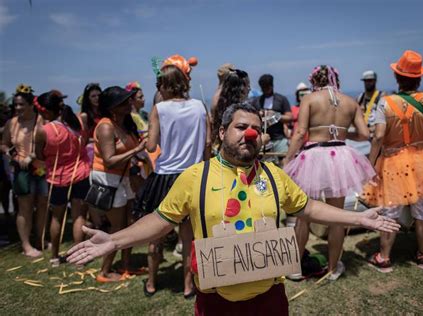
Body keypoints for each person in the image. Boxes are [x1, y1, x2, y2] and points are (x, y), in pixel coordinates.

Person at [67, 102, 399, 315]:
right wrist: (115, 241)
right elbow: (160, 220)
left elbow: (309, 207)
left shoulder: (273, 174)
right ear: (222, 132)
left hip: (270, 299)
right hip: (216, 304)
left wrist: (359, 217)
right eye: (241, 127)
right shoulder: (195, 176)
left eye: (255, 129)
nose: (250, 134)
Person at [362, 50, 423, 272]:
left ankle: (384, 258)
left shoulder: (385, 103)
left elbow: (378, 137)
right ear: (419, 78)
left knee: (391, 211)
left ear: (397, 77)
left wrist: (370, 164)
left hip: (393, 162)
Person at [283, 65, 375, 281]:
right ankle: (333, 268)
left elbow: (300, 133)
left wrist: (288, 159)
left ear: (314, 80)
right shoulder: (351, 102)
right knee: (338, 217)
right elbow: (364, 134)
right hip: (340, 157)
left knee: (303, 216)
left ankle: (295, 269)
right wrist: (343, 134)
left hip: (313, 156)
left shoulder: (310, 99)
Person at [134, 54, 210, 298]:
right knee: (189, 237)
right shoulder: (200, 106)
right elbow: (208, 144)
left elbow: (151, 146)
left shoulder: (159, 109)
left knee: (155, 233)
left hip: (165, 177)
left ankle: (152, 282)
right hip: (193, 176)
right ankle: (189, 286)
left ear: (164, 86)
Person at [91, 86, 146, 282]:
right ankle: (104, 272)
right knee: (118, 228)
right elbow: (109, 160)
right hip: (108, 180)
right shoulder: (106, 126)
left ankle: (126, 266)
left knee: (129, 225)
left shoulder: (123, 123)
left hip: (123, 179)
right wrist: (137, 150)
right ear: (113, 107)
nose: (129, 103)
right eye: (124, 101)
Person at [34, 90, 90, 266]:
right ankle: (79, 258)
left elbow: (39, 155)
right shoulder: (78, 121)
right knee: (79, 216)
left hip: (58, 178)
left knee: (57, 217)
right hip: (80, 174)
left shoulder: (43, 131)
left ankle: (55, 257)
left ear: (45, 111)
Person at [1, 84, 47, 257]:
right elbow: (4, 143)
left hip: (42, 168)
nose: (17, 108)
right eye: (16, 104)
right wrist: (9, 152)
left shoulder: (41, 119)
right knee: (24, 208)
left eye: (21, 104)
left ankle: (40, 240)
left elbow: (47, 142)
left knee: (43, 205)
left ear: (30, 105)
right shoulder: (11, 123)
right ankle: (26, 245)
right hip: (21, 170)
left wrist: (34, 155)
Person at [251, 74, 293, 153]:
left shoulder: (281, 99)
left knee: (282, 161)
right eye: (263, 87)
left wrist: (276, 115)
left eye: (267, 87)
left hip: (279, 139)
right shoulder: (256, 101)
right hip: (263, 138)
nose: (265, 89)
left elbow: (290, 118)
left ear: (272, 86)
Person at [211, 68, 250, 147]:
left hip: (218, 145)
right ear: (240, 88)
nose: (249, 88)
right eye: (247, 85)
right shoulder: (240, 110)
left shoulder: (218, 102)